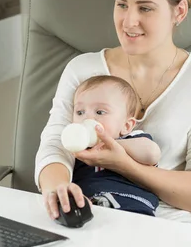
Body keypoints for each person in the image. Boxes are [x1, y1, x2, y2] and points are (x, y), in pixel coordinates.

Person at [34, 0, 191, 227]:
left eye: (145, 8)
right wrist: (59, 191)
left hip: (168, 228)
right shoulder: (82, 69)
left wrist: (125, 164)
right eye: (122, 4)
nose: (129, 21)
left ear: (179, 11)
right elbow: (56, 146)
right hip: (90, 217)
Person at [69, 74, 161, 216]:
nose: (87, 118)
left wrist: (112, 144)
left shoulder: (133, 139)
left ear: (126, 125)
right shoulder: (78, 148)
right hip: (89, 204)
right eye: (80, 112)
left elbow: (152, 154)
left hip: (130, 202)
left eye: (100, 112)